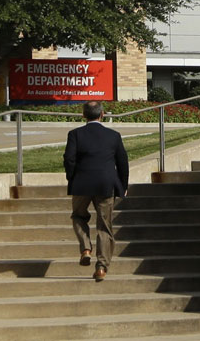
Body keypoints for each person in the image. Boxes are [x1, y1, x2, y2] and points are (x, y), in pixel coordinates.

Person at [63, 101, 129, 281]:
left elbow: (69, 159)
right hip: (105, 185)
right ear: (102, 114)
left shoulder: (75, 134)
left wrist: (72, 177)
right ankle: (101, 267)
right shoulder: (113, 136)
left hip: (81, 184)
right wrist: (123, 186)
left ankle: (85, 248)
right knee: (104, 225)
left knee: (78, 216)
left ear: (84, 115)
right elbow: (122, 162)